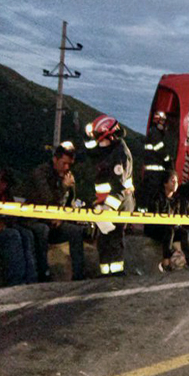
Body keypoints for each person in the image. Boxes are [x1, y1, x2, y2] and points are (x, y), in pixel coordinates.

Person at [25, 142, 87, 281]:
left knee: (76, 231)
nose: (66, 168)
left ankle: (78, 276)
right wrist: (64, 186)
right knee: (42, 231)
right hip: (35, 220)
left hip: (56, 222)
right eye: (64, 163)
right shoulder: (41, 173)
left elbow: (70, 203)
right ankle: (43, 274)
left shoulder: (67, 176)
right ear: (55, 159)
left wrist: (65, 217)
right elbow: (48, 200)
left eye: (69, 165)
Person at [86, 115, 135, 277]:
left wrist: (107, 206)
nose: (99, 143)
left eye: (101, 139)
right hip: (104, 203)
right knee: (103, 239)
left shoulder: (121, 154)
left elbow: (119, 187)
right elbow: (91, 151)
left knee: (114, 237)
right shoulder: (108, 149)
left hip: (118, 202)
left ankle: (116, 274)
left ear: (111, 136)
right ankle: (105, 273)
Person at [0, 168, 37, 286]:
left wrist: (6, 221)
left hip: (5, 226)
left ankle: (31, 279)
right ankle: (16, 281)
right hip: (1, 231)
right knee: (13, 235)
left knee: (26, 234)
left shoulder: (6, 194)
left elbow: (11, 213)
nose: (4, 185)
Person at [143, 169, 184, 272]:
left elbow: (178, 216)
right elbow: (155, 218)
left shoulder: (176, 200)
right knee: (169, 230)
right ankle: (166, 262)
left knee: (184, 233)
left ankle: (185, 259)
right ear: (165, 183)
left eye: (177, 181)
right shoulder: (156, 197)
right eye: (172, 181)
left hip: (170, 227)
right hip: (155, 228)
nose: (175, 184)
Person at [138, 111, 173, 212]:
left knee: (149, 193)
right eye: (162, 122)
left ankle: (145, 213)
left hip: (152, 172)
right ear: (158, 121)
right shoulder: (155, 133)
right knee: (152, 193)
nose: (164, 124)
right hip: (154, 173)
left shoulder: (153, 132)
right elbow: (160, 149)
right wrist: (168, 161)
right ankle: (148, 214)